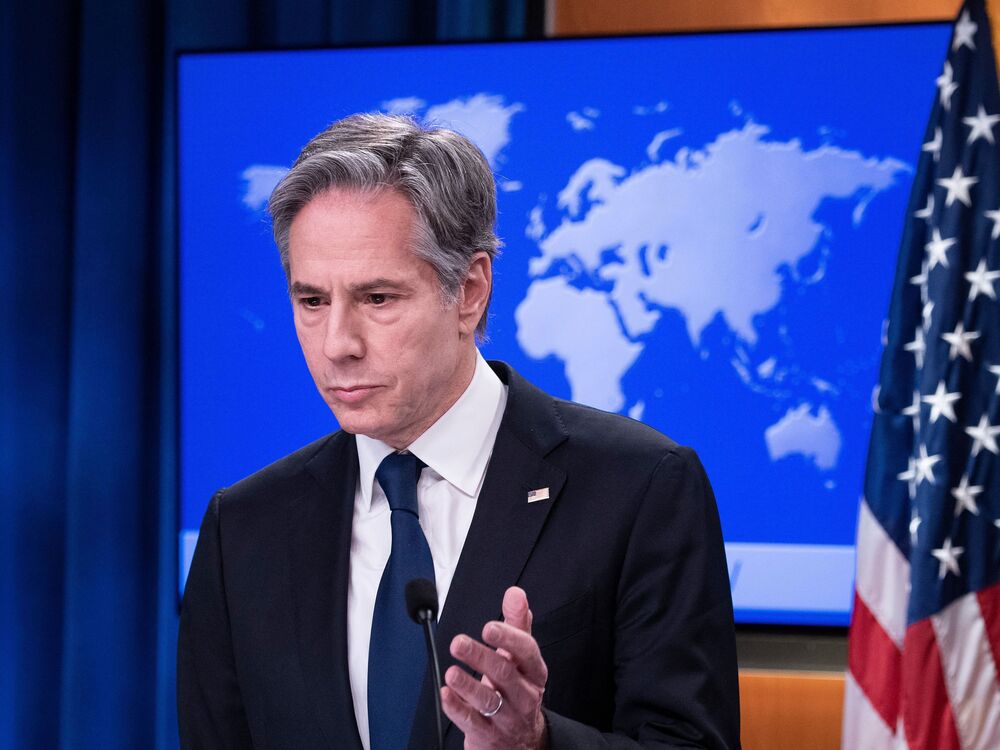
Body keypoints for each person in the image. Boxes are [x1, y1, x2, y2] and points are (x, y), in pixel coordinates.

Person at [177, 113, 741, 750]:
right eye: (312, 302)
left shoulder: (640, 489)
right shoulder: (245, 528)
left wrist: (539, 743)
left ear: (469, 291)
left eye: (377, 299)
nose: (338, 344)